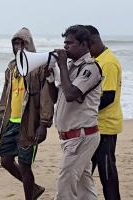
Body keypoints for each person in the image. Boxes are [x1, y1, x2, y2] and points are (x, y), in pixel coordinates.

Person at [0, 27, 54, 200]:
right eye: (15, 43)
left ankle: (30, 195)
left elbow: (46, 98)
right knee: (5, 161)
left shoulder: (39, 68)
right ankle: (34, 188)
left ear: (29, 45)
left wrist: (43, 124)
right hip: (10, 122)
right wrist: (0, 119)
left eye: (22, 43)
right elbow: (5, 94)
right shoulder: (11, 67)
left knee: (24, 165)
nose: (18, 47)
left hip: (28, 124)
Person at [47, 25, 102, 200]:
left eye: (70, 43)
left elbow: (71, 94)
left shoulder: (90, 68)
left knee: (65, 187)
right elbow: (56, 97)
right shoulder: (71, 67)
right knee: (84, 189)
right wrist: (49, 77)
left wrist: (62, 65)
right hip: (72, 138)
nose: (65, 47)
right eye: (64, 43)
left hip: (80, 137)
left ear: (84, 45)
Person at [85, 25, 123, 200]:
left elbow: (108, 97)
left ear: (93, 42)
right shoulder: (98, 59)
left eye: (87, 47)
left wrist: (84, 109)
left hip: (106, 127)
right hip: (95, 126)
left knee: (107, 172)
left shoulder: (107, 62)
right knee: (85, 171)